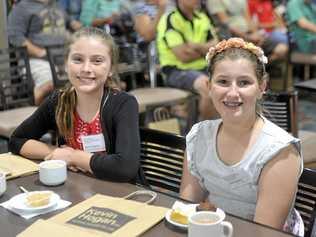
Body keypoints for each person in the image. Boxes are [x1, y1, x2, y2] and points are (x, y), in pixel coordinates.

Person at [180, 38, 304, 236]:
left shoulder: (279, 151)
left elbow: (263, 233)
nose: (232, 93)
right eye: (223, 82)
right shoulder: (198, 136)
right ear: (208, 86)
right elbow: (188, 208)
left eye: (244, 82)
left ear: (262, 87)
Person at [9, 27, 140, 182]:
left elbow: (125, 168)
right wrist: (56, 152)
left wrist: (72, 156)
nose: (86, 69)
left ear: (111, 68)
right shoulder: (58, 101)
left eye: (97, 61)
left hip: (117, 192)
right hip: (74, 188)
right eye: (78, 59)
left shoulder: (124, 103)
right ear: (66, 64)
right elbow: (17, 140)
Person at [7, 0, 79, 105]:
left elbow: (69, 23)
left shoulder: (55, 4)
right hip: (37, 60)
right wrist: (40, 52)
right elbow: (15, 36)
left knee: (80, 80)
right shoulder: (22, 7)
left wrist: (78, 26)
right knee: (51, 83)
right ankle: (33, 110)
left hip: (63, 59)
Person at [156, 0, 219, 120]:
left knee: (229, 81)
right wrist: (206, 50)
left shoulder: (202, 17)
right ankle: (203, 134)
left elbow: (216, 46)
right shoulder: (170, 19)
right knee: (208, 86)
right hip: (176, 71)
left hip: (204, 68)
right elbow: (183, 56)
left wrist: (195, 46)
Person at [206, 0, 288, 61]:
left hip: (250, 34)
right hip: (231, 37)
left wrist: (256, 34)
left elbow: (248, 19)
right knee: (256, 51)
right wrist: (248, 37)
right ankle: (257, 68)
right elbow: (226, 24)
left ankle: (262, 68)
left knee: (282, 48)